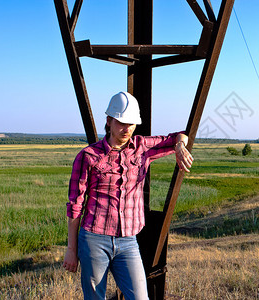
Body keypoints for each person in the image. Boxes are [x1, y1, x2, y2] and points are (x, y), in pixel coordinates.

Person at [62, 91, 193, 300]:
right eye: (122, 122)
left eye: (131, 123)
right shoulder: (88, 156)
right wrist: (71, 249)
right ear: (109, 121)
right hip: (94, 239)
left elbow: (183, 134)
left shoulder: (142, 147)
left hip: (128, 241)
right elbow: (75, 206)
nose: (127, 129)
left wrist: (179, 145)